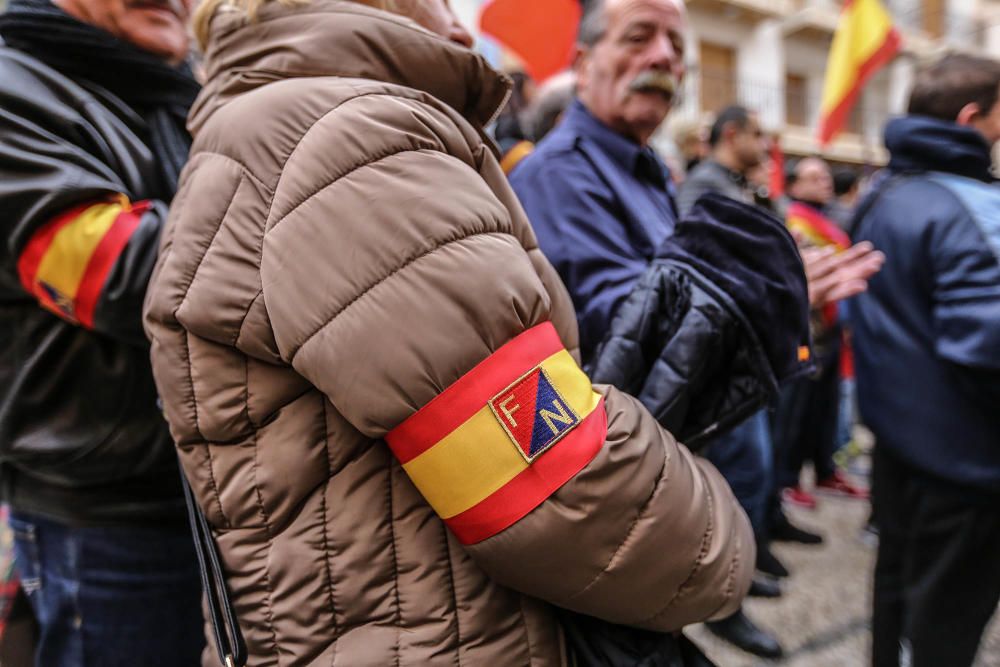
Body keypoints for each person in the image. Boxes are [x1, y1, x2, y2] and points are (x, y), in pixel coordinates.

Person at [143, 0, 755, 663]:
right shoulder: (344, 144)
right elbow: (560, 488)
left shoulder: (273, 132)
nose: (464, 31)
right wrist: (727, 546)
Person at [0, 0, 205, 663]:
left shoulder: (195, 87)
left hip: (215, 490)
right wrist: (309, 220)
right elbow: (114, 273)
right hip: (106, 516)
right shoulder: (10, 86)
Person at [851, 53, 1000, 667]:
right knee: (945, 623)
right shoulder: (973, 207)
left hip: (901, 442)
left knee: (897, 599)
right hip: (969, 464)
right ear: (971, 118)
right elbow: (989, 350)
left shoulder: (883, 192)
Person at [775, 156, 870, 510]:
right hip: (805, 333)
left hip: (830, 331)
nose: (825, 182)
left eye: (826, 177)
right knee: (795, 412)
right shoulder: (793, 219)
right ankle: (787, 479)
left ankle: (825, 468)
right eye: (814, 177)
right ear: (794, 185)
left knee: (823, 409)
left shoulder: (826, 218)